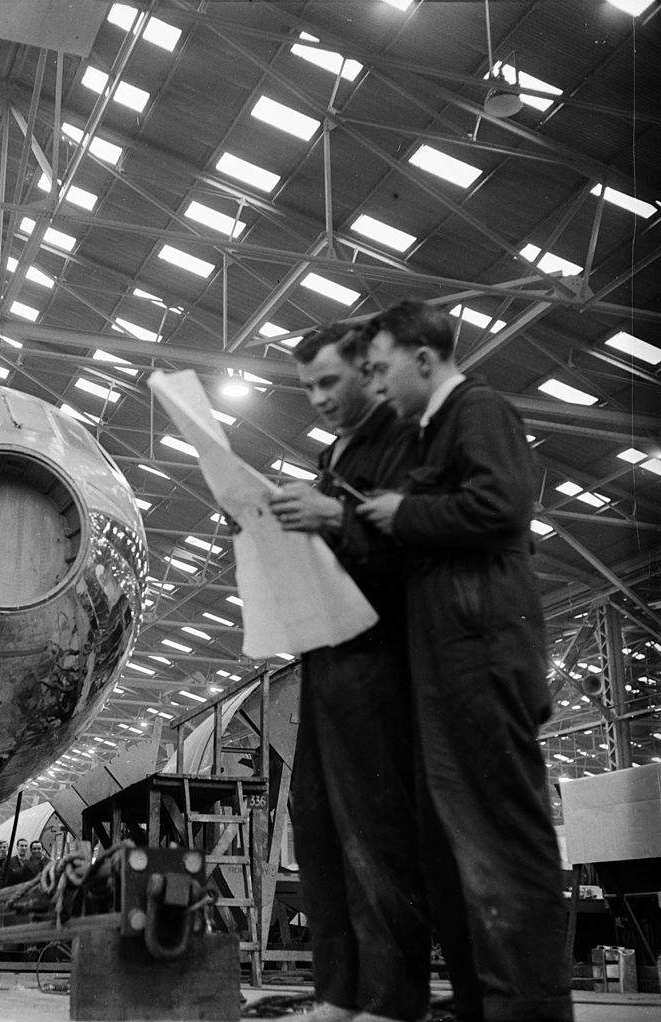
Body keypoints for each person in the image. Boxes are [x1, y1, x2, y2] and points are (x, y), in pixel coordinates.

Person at [358, 300, 572, 1022]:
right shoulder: (429, 434)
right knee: (453, 842)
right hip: (448, 663)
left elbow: (503, 506)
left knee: (504, 839)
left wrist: (404, 515)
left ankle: (531, 1009)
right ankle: (484, 1001)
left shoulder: (479, 410)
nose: (377, 385)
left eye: (383, 368)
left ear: (425, 357)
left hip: (485, 654)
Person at [268, 323, 428, 1022]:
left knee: (378, 832)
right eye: (307, 389)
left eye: (330, 382)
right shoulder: (339, 454)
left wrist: (333, 517)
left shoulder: (407, 442)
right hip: (327, 662)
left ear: (369, 371)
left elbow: (418, 549)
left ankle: (392, 1000)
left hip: (381, 662)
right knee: (321, 829)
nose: (320, 399)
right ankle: (338, 992)